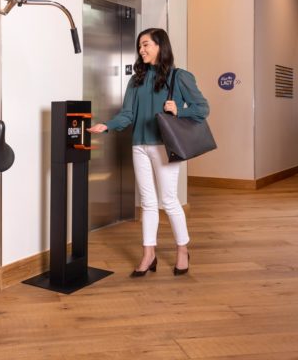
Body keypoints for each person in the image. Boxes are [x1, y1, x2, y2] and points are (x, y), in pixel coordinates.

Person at [87, 28, 209, 277]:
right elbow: (128, 114)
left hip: (165, 145)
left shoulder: (179, 76)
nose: (141, 50)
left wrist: (179, 110)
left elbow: (202, 108)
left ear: (160, 46)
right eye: (139, 46)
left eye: (146, 45)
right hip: (139, 146)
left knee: (169, 200)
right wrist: (107, 125)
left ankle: (182, 250)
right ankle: (148, 254)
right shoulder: (137, 79)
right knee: (147, 202)